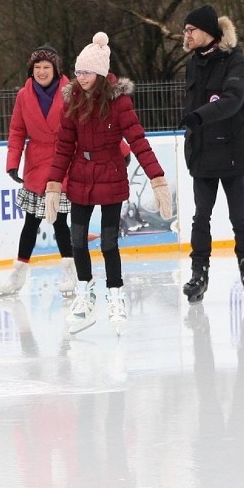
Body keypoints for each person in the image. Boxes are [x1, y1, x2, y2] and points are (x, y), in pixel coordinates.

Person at [44, 32, 173, 335]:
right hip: (80, 176)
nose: (81, 77)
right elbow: (63, 146)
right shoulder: (72, 101)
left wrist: (157, 178)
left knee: (108, 242)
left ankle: (115, 295)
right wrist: (53, 185)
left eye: (86, 71)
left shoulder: (119, 102)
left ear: (100, 73)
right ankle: (85, 296)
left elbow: (138, 141)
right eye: (77, 71)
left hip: (111, 174)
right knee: (77, 240)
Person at [178, 4, 244, 302]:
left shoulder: (234, 61)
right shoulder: (193, 63)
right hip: (202, 153)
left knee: (239, 214)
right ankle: (199, 272)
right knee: (201, 216)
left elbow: (233, 99)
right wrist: (192, 135)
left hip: (232, 151)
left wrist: (198, 117)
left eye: (191, 30)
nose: (186, 35)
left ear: (208, 32)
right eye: (185, 30)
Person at [0, 44, 76, 296]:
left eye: (46, 67)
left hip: (63, 161)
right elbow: (17, 130)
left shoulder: (71, 92)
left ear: (56, 69)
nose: (42, 72)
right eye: (37, 67)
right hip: (36, 164)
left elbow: (91, 121)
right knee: (30, 222)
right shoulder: (24, 95)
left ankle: (69, 270)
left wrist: (120, 150)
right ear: (31, 70)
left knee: (61, 222)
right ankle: (18, 274)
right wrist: (13, 162)